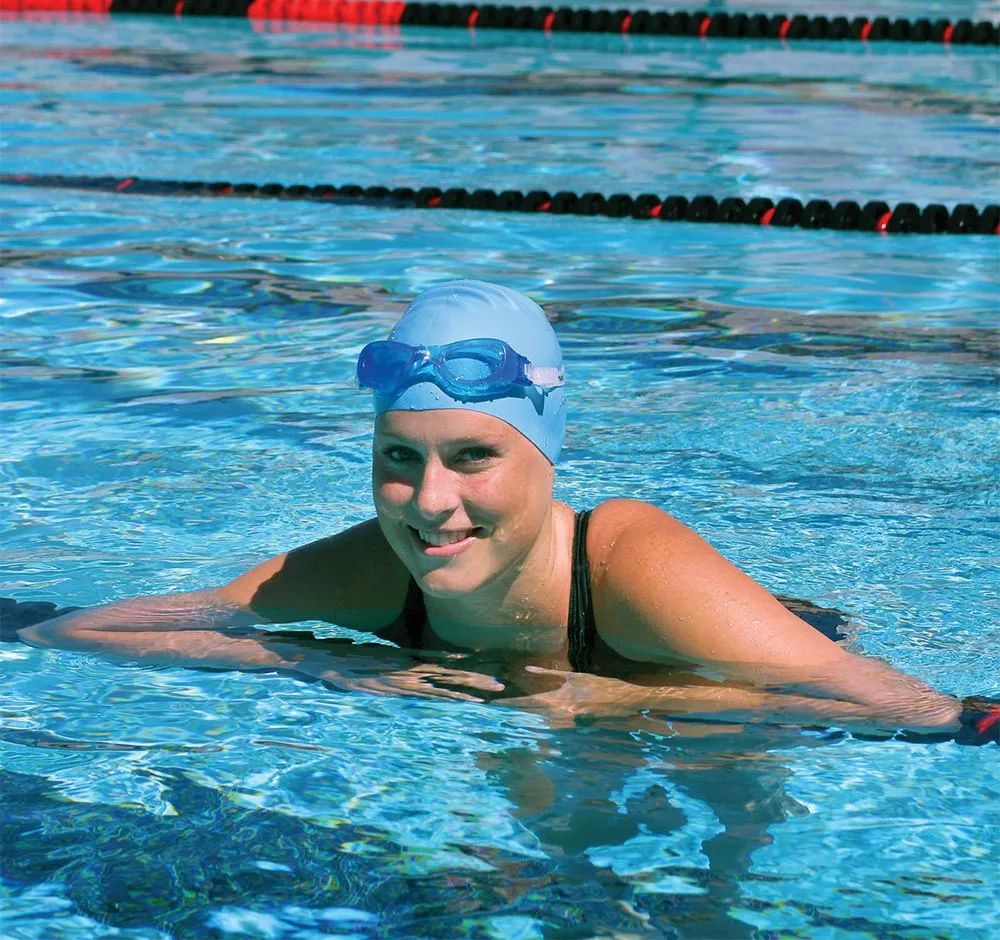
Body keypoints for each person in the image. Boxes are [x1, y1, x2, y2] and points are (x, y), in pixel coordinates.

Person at [17, 280, 998, 742]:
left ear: (545, 458)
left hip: (710, 650)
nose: (428, 503)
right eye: (398, 459)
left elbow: (917, 711)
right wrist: (331, 663)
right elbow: (76, 629)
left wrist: (613, 700)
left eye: (473, 456)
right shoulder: (376, 566)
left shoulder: (631, 557)